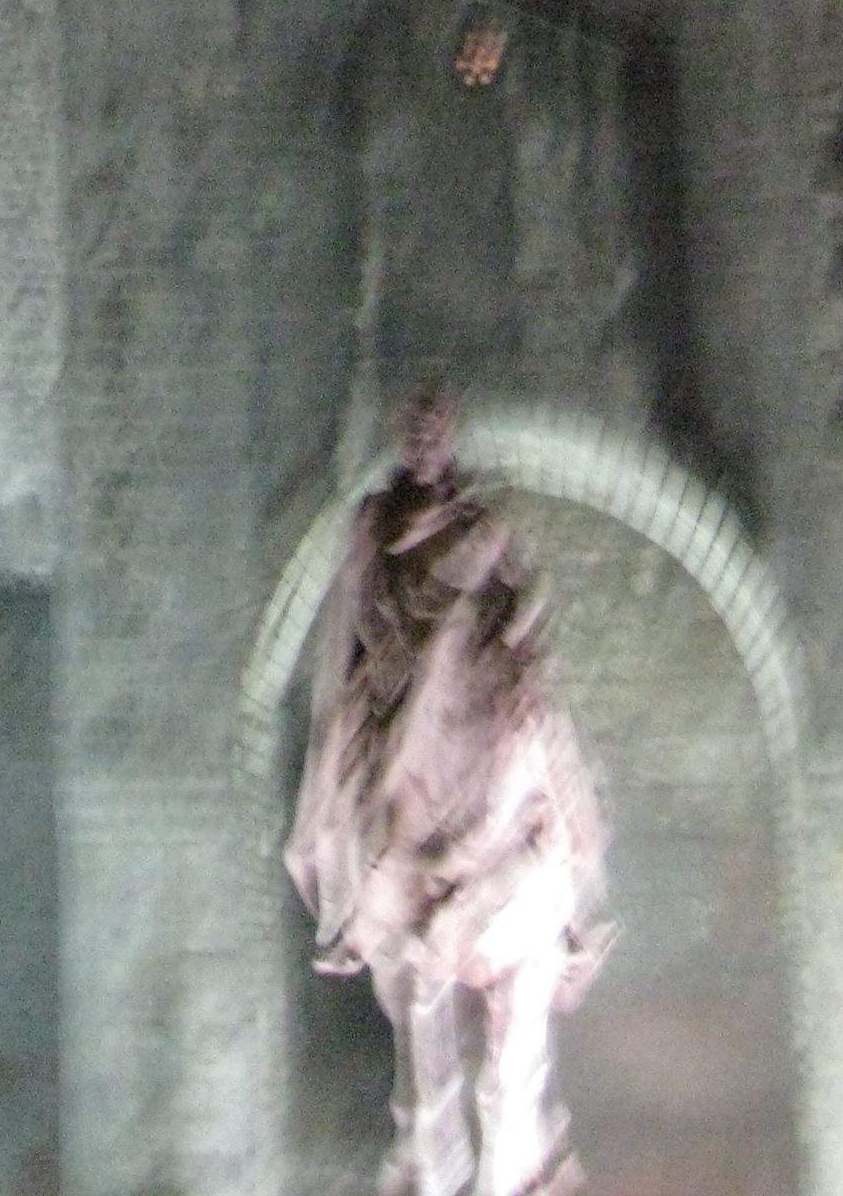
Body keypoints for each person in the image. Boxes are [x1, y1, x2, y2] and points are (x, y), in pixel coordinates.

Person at [285, 395, 612, 1196]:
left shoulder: (482, 522)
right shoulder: (373, 521)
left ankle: (580, 894)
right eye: (416, 430)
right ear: (404, 440)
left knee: (545, 730)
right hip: (397, 683)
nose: (427, 441)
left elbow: (524, 599)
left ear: (451, 437)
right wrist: (370, 684)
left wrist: (511, 629)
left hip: (480, 668)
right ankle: (353, 900)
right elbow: (349, 618)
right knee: (359, 763)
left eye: (438, 429)